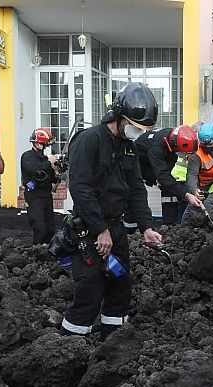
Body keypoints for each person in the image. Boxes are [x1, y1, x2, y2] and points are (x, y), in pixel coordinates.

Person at [60, 82, 162, 339]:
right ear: (118, 117)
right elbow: (81, 189)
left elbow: (136, 189)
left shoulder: (128, 147)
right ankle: (70, 346)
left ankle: (112, 345)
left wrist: (146, 227)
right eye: (135, 126)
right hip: (90, 230)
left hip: (115, 231)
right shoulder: (89, 140)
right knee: (90, 290)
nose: (138, 132)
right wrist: (100, 230)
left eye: (144, 129)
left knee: (119, 286)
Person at [133, 125, 201, 225]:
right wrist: (186, 195)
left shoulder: (172, 140)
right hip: (137, 168)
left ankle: (170, 226)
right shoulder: (157, 147)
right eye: (185, 153)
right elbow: (162, 174)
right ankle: (131, 231)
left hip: (153, 166)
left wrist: (164, 180)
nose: (186, 157)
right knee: (137, 198)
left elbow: (166, 169)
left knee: (169, 192)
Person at [21, 128, 59, 244]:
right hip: (34, 196)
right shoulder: (27, 157)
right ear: (37, 143)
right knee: (40, 229)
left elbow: (52, 178)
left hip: (46, 196)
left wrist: (56, 171)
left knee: (50, 229)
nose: (46, 147)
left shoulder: (45, 159)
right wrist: (49, 163)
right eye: (44, 144)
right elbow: (36, 170)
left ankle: (48, 254)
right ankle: (36, 253)